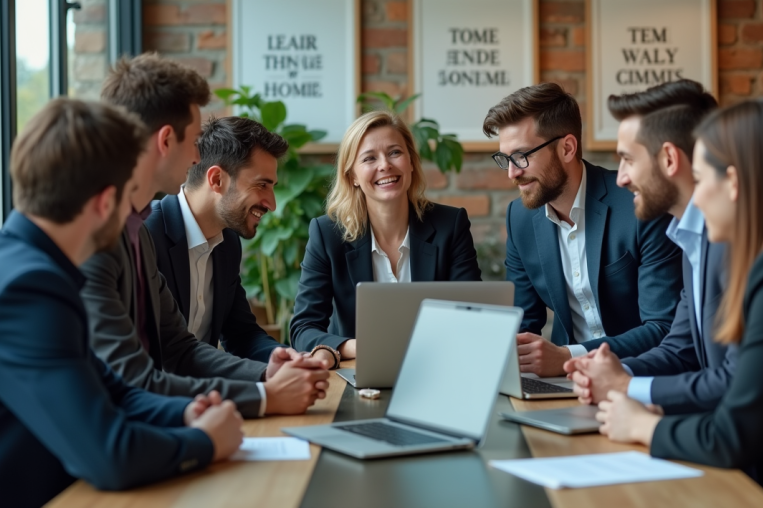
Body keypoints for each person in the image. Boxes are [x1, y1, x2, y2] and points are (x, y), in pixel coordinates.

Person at [0, 99, 244, 507]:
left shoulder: (19, 262)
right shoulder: (30, 290)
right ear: (106, 202)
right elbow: (109, 453)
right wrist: (204, 442)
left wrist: (185, 413)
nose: (135, 214)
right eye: (129, 196)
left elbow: (111, 389)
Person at [596, 99, 763, 508]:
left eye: (701, 176)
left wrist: (643, 426)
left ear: (732, 182)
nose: (697, 197)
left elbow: (733, 435)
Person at [81, 53, 329, 418]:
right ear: (166, 141)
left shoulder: (209, 240)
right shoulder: (124, 235)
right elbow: (139, 377)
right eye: (194, 139)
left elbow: (187, 347)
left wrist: (268, 371)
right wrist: (265, 396)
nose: (197, 153)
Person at [482, 83, 683, 377]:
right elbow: (522, 325)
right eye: (505, 159)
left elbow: (662, 327)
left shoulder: (639, 206)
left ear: (567, 148)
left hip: (639, 377)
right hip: (562, 382)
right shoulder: (520, 218)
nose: (512, 172)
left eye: (522, 156)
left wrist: (568, 357)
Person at [566, 81, 736, 414]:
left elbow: (735, 381)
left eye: (628, 159)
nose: (621, 178)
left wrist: (626, 388)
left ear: (669, 158)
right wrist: (616, 372)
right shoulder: (691, 237)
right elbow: (681, 348)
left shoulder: (736, 243)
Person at [289, 110, 481, 365]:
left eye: (395, 153)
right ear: (352, 176)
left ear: (411, 162)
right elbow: (304, 328)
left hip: (438, 365)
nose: (385, 165)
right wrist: (357, 347)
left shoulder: (450, 225)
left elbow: (473, 316)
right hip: (358, 373)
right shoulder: (327, 234)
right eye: (369, 158)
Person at [145, 116, 288, 363]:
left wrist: (286, 358)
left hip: (207, 391)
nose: (272, 204)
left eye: (272, 186)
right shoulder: (147, 234)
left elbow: (241, 334)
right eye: (261, 185)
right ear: (217, 180)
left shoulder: (228, 243)